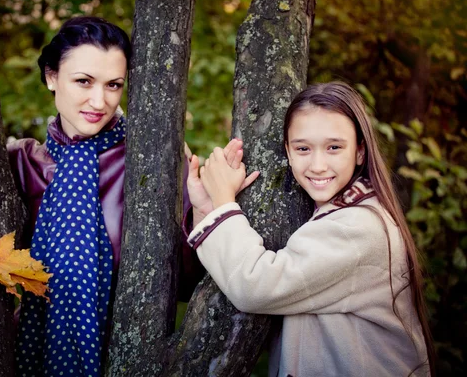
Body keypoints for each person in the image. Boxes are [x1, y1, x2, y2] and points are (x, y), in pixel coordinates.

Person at [0, 16, 254, 376]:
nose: (99, 100)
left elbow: (185, 280)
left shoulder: (153, 159)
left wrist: (202, 212)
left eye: (114, 85)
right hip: (30, 353)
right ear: (51, 77)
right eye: (83, 81)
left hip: (129, 358)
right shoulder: (21, 162)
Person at [186, 81, 435, 376]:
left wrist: (225, 201)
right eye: (303, 148)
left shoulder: (358, 227)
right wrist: (208, 207)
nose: (317, 165)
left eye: (334, 147)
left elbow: (256, 286)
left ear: (359, 152)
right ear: (288, 152)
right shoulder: (337, 211)